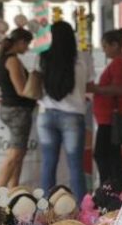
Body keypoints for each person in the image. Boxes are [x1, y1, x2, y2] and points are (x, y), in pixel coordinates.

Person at [37, 21, 94, 202]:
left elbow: (37, 82)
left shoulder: (42, 57)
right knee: (76, 165)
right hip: (73, 116)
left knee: (48, 164)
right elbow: (89, 84)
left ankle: (46, 209)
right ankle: (81, 210)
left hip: (46, 114)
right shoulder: (83, 57)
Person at [89, 28, 122, 193]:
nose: (104, 49)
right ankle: (113, 187)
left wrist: (96, 89)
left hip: (110, 118)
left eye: (105, 46)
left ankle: (109, 187)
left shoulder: (120, 64)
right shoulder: (118, 63)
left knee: (103, 155)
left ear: (115, 45)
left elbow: (119, 89)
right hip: (107, 117)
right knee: (111, 155)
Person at [0, 28, 35, 188]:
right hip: (17, 110)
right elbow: (21, 90)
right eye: (27, 44)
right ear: (20, 42)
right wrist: (37, 89)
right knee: (15, 154)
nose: (28, 48)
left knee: (19, 154)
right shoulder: (13, 60)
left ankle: (13, 189)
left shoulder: (4, 58)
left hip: (11, 109)